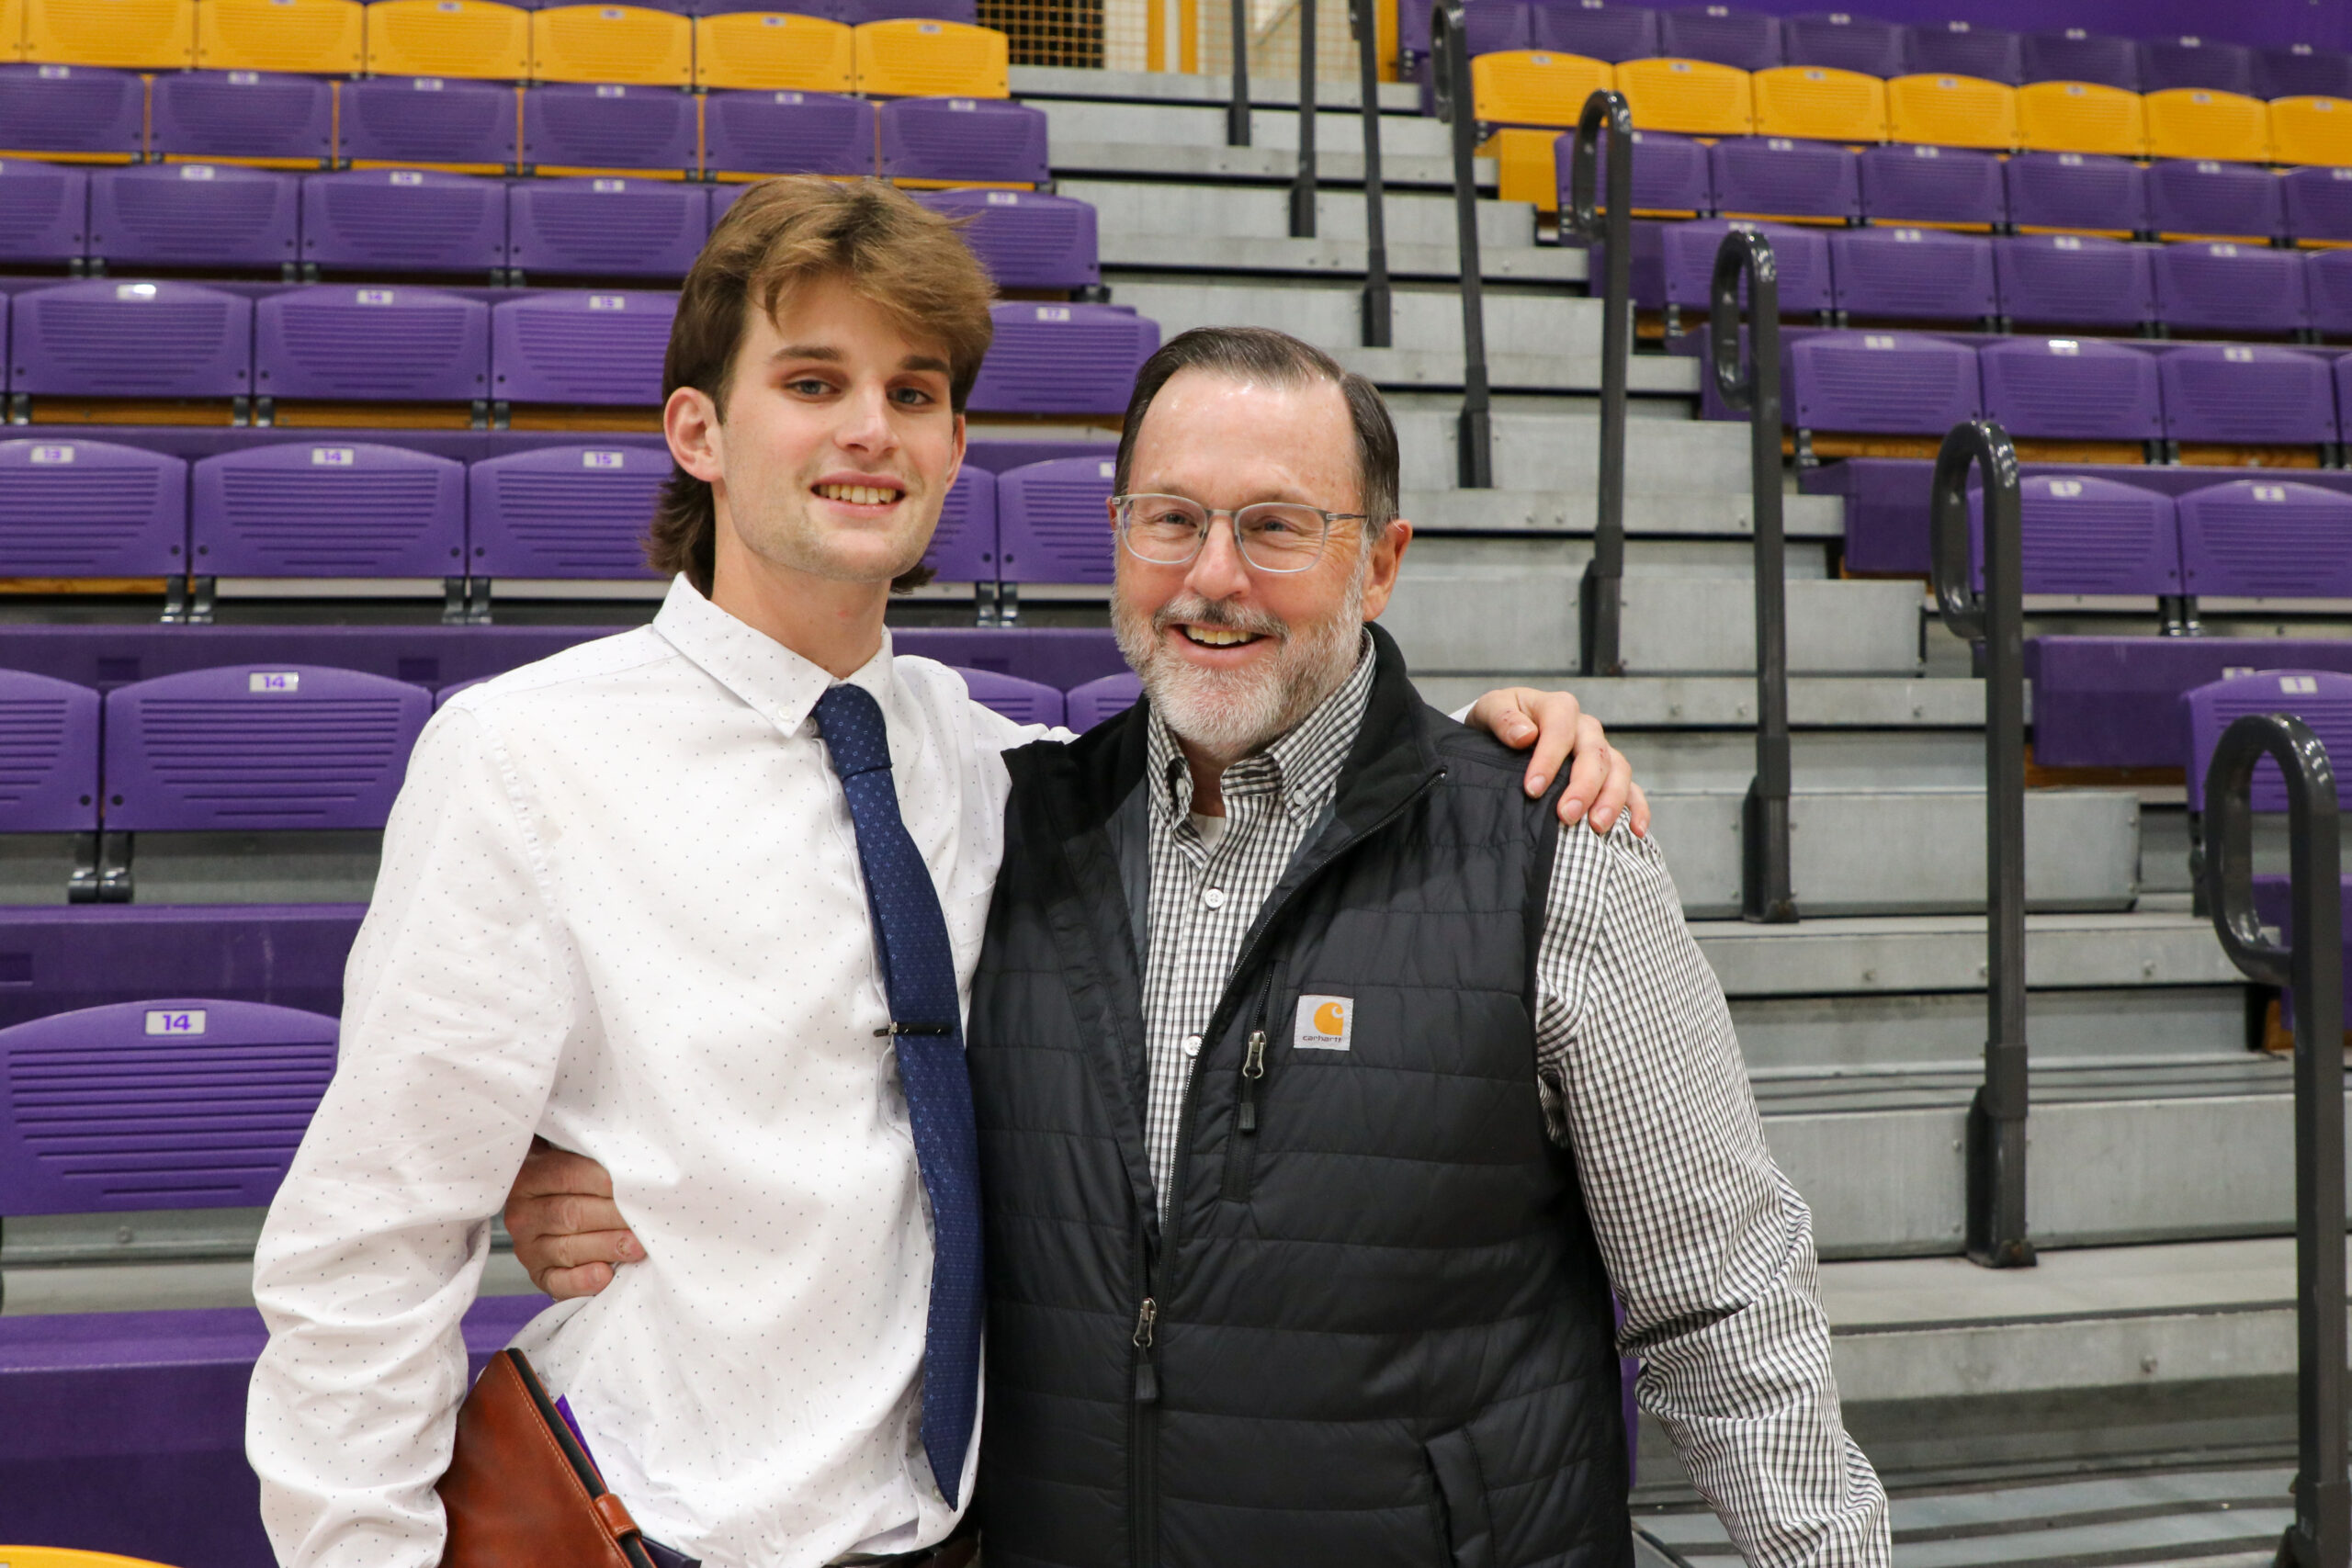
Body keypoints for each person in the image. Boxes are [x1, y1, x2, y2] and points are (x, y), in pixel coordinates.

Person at [245, 179, 1638, 1568]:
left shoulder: (1004, 771)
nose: (870, 429)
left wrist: (1484, 746)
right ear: (699, 431)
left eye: (913, 393)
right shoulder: (521, 759)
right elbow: (371, 1245)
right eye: (812, 379)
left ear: (956, 445)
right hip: (668, 1535)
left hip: (966, 1541)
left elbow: (1268, 732)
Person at [512, 326, 1893, 1567]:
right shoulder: (1012, 817)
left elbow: (1725, 1308)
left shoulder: (1549, 855)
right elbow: (804, 1079)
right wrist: (577, 1167)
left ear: (1381, 561)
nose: (1213, 580)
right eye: (1170, 521)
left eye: (1277, 529)